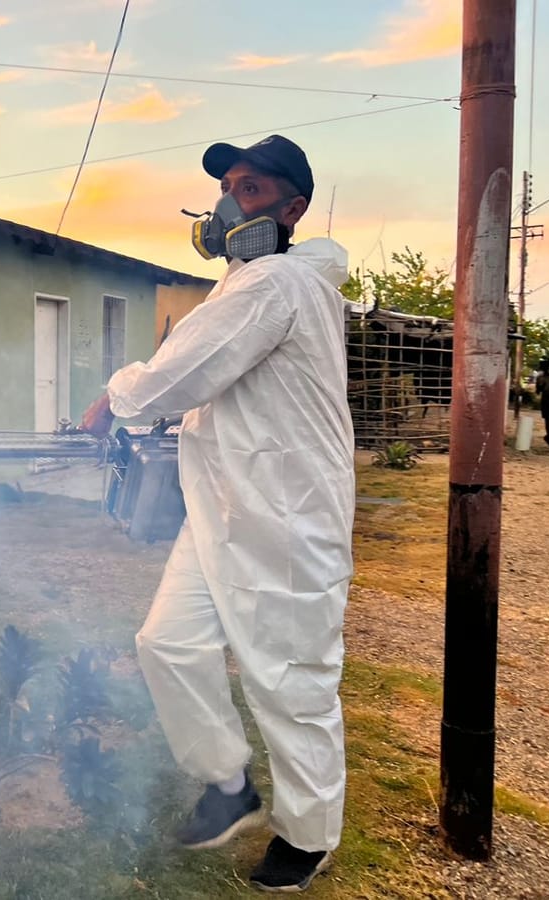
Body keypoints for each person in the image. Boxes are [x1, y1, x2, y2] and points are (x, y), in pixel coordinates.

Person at [81, 135, 354, 893]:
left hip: (288, 521)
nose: (231, 202)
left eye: (254, 189)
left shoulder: (276, 283)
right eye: (229, 186)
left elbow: (179, 372)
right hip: (224, 508)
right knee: (166, 642)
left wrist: (115, 399)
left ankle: (308, 837)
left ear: (292, 209)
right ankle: (229, 785)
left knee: (291, 682)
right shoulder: (245, 282)